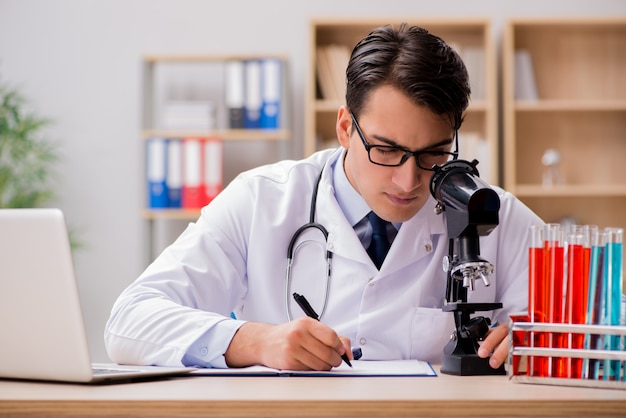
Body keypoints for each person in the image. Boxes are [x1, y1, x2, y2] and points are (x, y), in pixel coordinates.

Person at [105, 23, 544, 371]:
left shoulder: (493, 214)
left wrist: (535, 345)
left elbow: (595, 333)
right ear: (344, 128)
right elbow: (129, 322)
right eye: (386, 150)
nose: (409, 180)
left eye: (433, 153)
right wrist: (257, 341)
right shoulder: (261, 201)